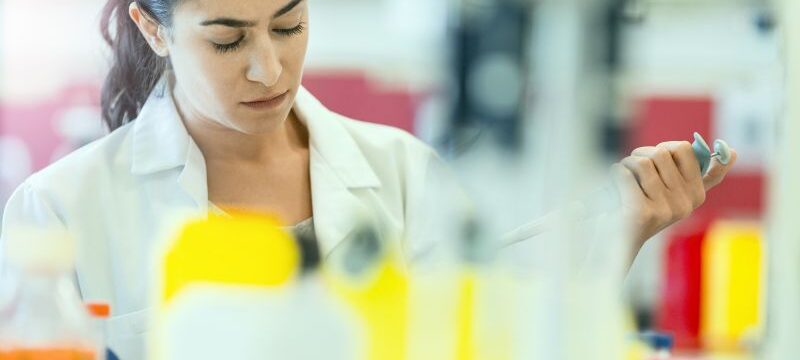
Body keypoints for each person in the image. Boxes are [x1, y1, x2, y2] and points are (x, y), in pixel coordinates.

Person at [0, 0, 737, 358]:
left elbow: (490, 342)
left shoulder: (402, 172)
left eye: (288, 27)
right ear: (154, 28)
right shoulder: (60, 207)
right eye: (227, 40)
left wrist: (624, 229)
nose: (269, 68)